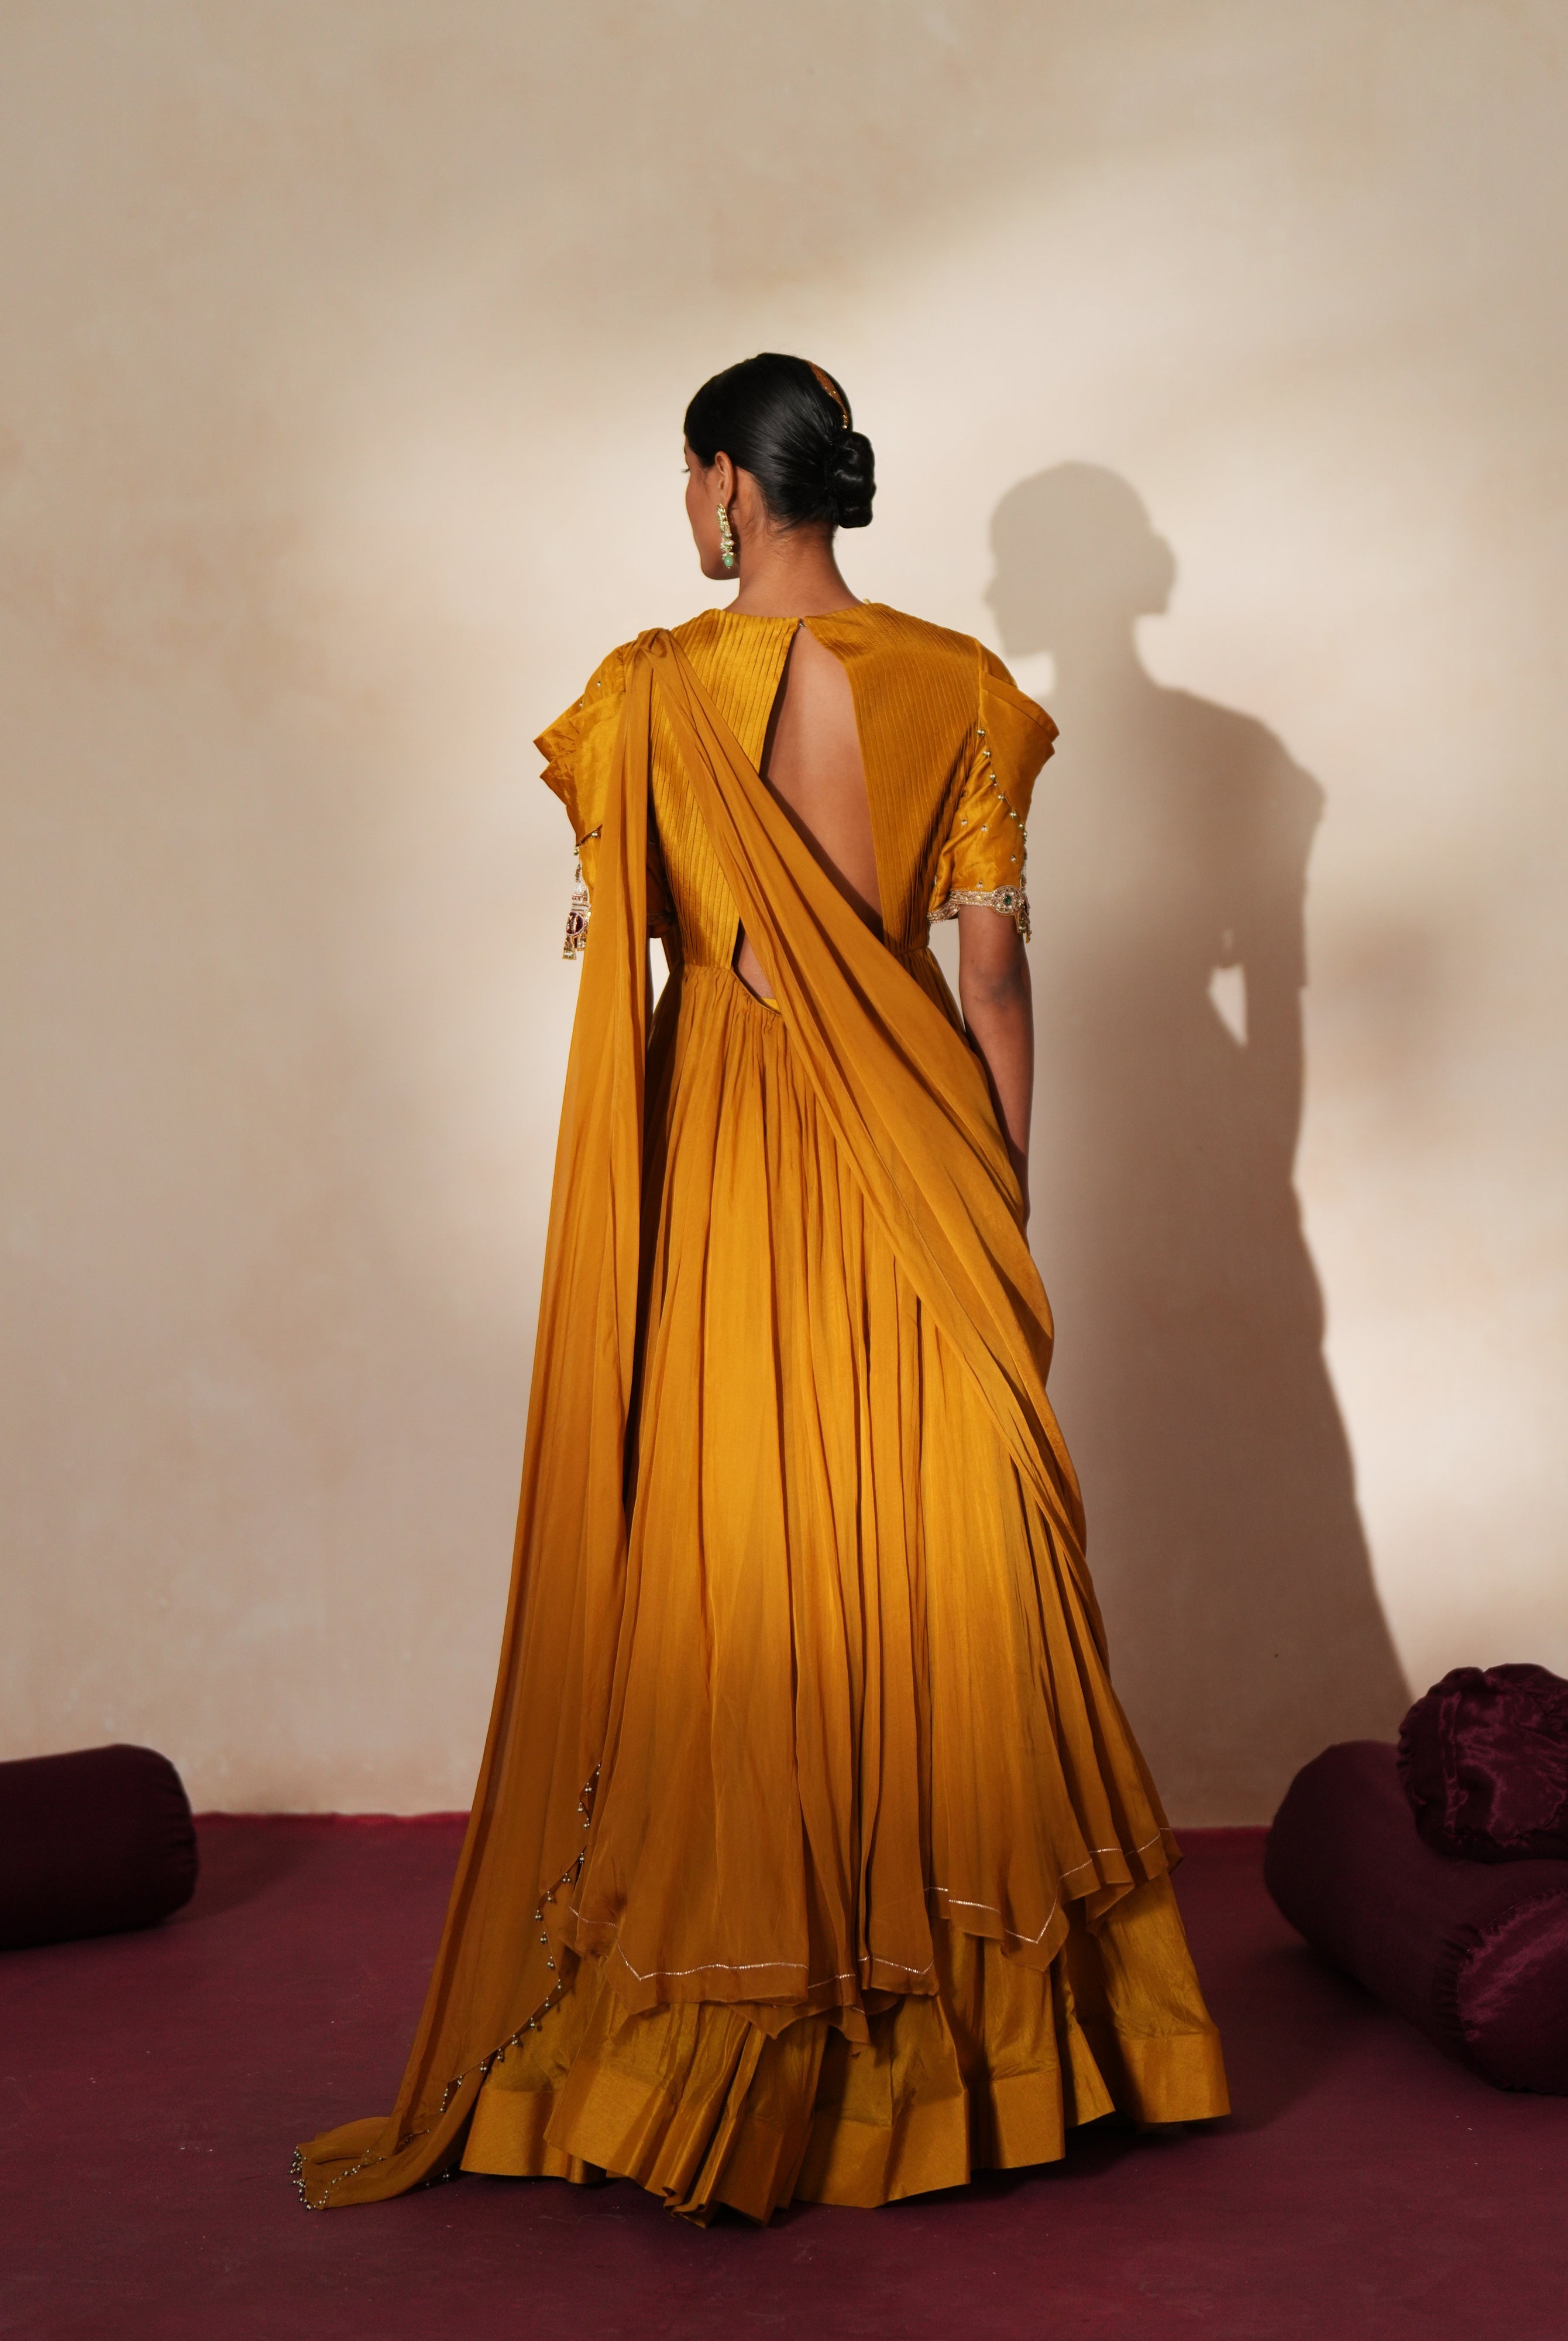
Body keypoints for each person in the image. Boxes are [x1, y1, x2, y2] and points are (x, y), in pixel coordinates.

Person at [294, 354, 1229, 2224]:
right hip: (927, 1165)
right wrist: (999, 1202)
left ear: (729, 486)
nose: (689, 508)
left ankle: (736, 2028)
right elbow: (997, 982)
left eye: (690, 480)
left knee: (742, 1561)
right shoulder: (968, 697)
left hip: (728, 1156)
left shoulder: (644, 701)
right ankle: (988, 2056)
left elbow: (637, 937)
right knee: (940, 1563)